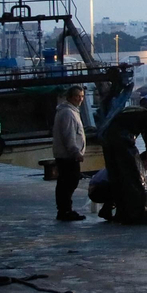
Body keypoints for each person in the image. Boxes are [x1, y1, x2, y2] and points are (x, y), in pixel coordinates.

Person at [100, 102, 147, 224]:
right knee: (134, 179)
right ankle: (136, 215)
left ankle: (121, 213)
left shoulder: (130, 110)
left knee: (117, 178)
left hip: (107, 141)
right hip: (123, 141)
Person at [51, 86, 88, 222]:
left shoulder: (70, 111)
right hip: (68, 156)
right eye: (77, 96)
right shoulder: (68, 113)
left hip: (66, 155)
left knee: (66, 183)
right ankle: (65, 210)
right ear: (70, 97)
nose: (80, 99)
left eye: (82, 96)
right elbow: (69, 135)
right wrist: (76, 152)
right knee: (68, 183)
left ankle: (65, 209)